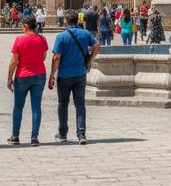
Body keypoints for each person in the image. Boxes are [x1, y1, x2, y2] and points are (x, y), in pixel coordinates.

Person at [49, 9, 101, 144]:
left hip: (64, 76)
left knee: (62, 104)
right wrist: (89, 61)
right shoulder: (85, 33)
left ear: (65, 21)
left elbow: (56, 57)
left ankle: (62, 134)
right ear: (78, 20)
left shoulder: (61, 37)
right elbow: (97, 45)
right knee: (80, 104)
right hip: (80, 74)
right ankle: (81, 134)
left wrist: (52, 75)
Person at [7, 15, 48, 146]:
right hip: (39, 75)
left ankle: (15, 136)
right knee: (36, 107)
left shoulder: (19, 39)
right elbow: (43, 57)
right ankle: (34, 137)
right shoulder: (42, 39)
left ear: (25, 26)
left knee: (18, 107)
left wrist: (9, 77)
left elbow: (14, 61)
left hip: (22, 76)